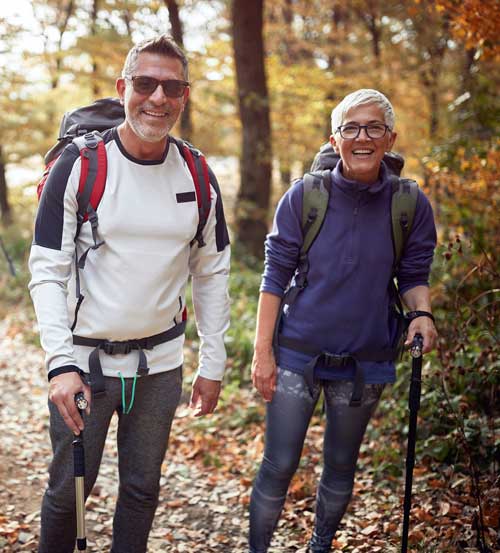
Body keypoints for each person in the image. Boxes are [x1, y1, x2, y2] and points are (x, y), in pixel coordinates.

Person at [29, 35, 230, 553]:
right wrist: (59, 363)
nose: (157, 98)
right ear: (123, 88)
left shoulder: (199, 174)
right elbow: (47, 270)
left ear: (184, 96)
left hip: (159, 368)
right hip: (84, 364)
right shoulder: (80, 166)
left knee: (142, 491)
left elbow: (211, 270)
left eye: (172, 87)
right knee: (69, 492)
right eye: (145, 84)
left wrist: (213, 361)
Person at [249, 89, 437, 553]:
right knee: (278, 464)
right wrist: (263, 352)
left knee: (339, 466)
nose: (362, 137)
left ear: (389, 137)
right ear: (334, 140)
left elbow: (414, 275)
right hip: (297, 354)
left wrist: (422, 313)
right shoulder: (304, 196)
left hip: (365, 361)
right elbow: (274, 275)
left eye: (373, 127)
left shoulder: (409, 204)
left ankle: (320, 546)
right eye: (350, 128)